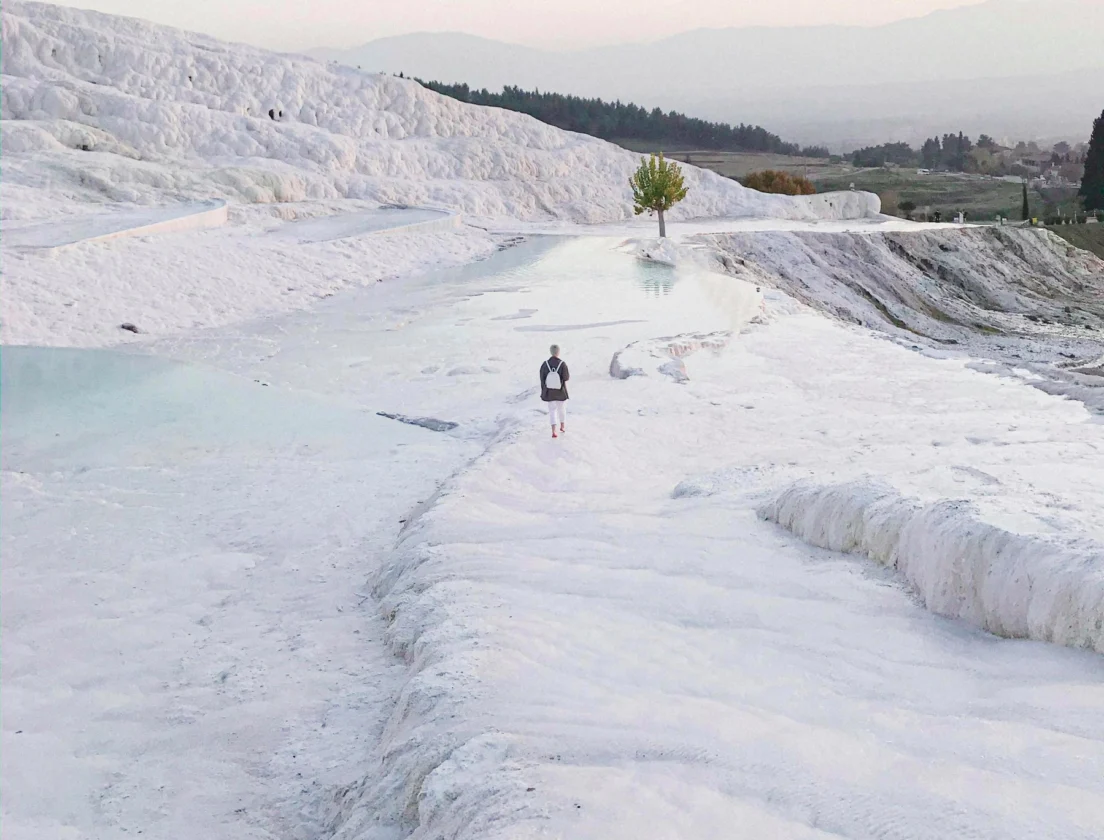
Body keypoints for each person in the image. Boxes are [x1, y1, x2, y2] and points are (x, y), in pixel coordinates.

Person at [540, 344, 570, 438]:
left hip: (550, 393)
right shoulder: (562, 364)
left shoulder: (545, 364)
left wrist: (544, 391)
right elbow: (566, 377)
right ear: (558, 352)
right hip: (561, 392)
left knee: (552, 411)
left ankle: (553, 431)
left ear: (551, 352)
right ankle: (562, 426)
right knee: (562, 409)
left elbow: (542, 379)